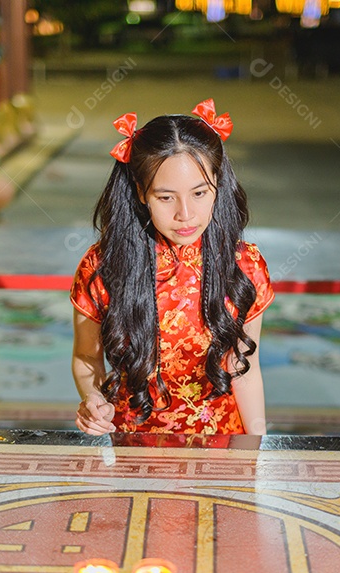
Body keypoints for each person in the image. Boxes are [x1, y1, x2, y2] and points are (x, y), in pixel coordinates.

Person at [70, 99, 274, 436]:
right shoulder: (103, 267)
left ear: (217, 186)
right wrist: (93, 399)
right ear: (140, 192)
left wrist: (257, 451)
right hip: (132, 441)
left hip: (221, 444)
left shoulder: (243, 265)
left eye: (199, 193)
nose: (185, 214)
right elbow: (86, 358)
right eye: (166, 197)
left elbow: (244, 368)